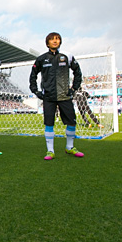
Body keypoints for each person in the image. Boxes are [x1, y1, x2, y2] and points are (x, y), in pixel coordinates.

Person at [29, 32, 84, 160]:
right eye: (52, 39)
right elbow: (33, 75)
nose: (55, 41)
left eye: (57, 39)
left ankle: (69, 147)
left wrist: (74, 88)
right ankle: (50, 151)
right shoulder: (41, 59)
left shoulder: (67, 56)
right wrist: (35, 91)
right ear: (47, 42)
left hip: (64, 95)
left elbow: (77, 72)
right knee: (49, 124)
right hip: (48, 97)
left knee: (71, 122)